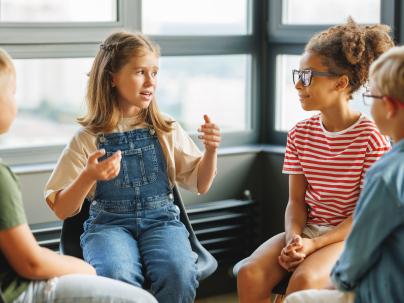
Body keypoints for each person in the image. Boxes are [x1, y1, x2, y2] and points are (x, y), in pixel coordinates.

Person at [44, 31, 221, 303]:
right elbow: (62, 209)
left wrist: (210, 151)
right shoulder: (87, 138)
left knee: (179, 273)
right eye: (140, 72)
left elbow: (201, 183)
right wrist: (88, 176)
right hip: (108, 226)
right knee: (116, 276)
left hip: (162, 222)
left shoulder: (165, 128)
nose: (151, 81)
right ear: (112, 77)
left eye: (155, 73)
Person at [237, 18, 394, 303]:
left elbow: (364, 215)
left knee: (304, 282)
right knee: (249, 273)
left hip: (347, 237)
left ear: (341, 82)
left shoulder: (371, 137)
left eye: (308, 76)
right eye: (298, 74)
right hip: (307, 231)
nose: (298, 84)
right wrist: (293, 239)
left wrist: (314, 244)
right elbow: (296, 202)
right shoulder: (300, 133)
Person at [0, 48, 157, 303]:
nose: (15, 101)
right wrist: (86, 270)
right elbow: (31, 262)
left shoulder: (164, 131)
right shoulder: (2, 178)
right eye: (11, 92)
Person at [284, 44, 404, 303]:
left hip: (383, 290)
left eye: (371, 98)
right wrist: (295, 238)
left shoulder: (385, 172)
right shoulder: (300, 133)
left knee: (298, 297)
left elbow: (361, 241)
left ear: (391, 107)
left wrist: (338, 283)